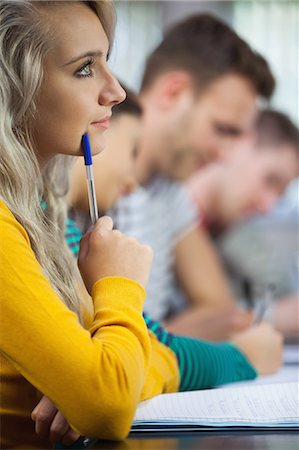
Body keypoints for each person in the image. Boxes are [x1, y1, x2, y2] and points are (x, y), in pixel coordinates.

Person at [0, 2, 282, 448]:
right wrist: (117, 289)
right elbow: (106, 398)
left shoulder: (41, 213)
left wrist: (107, 371)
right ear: (14, 87)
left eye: (106, 62)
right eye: (84, 68)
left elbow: (111, 374)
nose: (116, 90)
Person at [109, 14, 276, 339]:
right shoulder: (89, 175)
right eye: (223, 129)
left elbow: (221, 310)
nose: (225, 155)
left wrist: (139, 349)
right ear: (173, 93)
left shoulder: (169, 192)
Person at [186, 109, 299, 338]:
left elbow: (281, 290)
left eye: (281, 194)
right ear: (240, 142)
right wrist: (275, 316)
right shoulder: (169, 214)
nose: (268, 206)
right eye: (270, 179)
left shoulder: (224, 230)